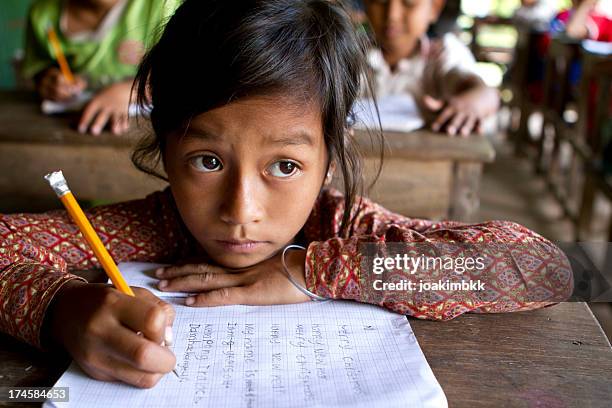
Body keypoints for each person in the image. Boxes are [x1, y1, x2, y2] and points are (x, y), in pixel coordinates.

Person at [1, 0, 573, 389]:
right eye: (207, 160)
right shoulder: (155, 226)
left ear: (329, 157)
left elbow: (535, 267)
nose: (240, 211)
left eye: (284, 164)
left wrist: (313, 270)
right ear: (166, 146)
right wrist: (58, 308)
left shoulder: (345, 228)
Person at [22, 0, 180, 136]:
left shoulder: (163, 5)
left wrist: (132, 90)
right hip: (72, 129)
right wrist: (49, 81)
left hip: (153, 132)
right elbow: (39, 69)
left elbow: (188, 71)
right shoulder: (43, 16)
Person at [362, 0, 500, 136]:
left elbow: (486, 94)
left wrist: (472, 104)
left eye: (409, 3)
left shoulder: (444, 54)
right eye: (379, 1)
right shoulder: (348, 53)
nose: (392, 15)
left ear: (435, 7)